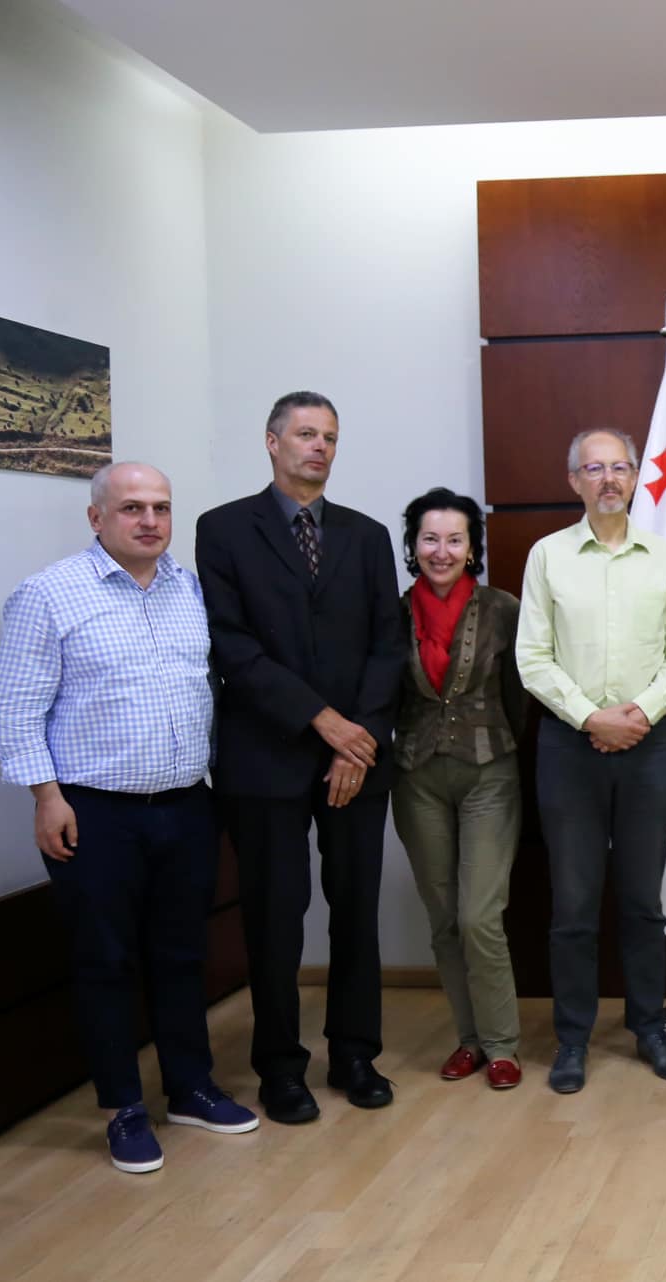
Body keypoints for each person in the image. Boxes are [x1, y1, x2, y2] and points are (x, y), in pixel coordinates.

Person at [0, 462, 259, 1173]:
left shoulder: (190, 591)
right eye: (132, 507)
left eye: (161, 508)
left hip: (186, 805)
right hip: (92, 812)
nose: (150, 521)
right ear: (96, 517)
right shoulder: (49, 595)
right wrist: (46, 798)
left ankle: (190, 1087)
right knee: (104, 961)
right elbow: (12, 708)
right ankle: (123, 1109)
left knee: (181, 954)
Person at [195, 391, 406, 1125]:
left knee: (356, 913)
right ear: (272, 441)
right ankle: (281, 1067)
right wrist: (325, 722)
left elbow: (388, 645)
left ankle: (355, 1054)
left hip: (358, 760)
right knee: (275, 919)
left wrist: (359, 739)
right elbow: (232, 646)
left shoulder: (367, 535)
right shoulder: (223, 529)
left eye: (330, 437)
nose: (320, 447)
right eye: (307, 434)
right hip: (267, 757)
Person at [516, 428, 666, 1094]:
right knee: (573, 905)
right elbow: (532, 657)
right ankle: (573, 1039)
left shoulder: (663, 557)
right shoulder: (547, 556)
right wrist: (591, 718)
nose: (608, 479)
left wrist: (637, 715)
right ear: (575, 481)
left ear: (635, 477)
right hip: (570, 748)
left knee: (643, 902)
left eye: (619, 467)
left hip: (647, 746)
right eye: (594, 469)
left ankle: (649, 1027)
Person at [391, 488, 528, 1090]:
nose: (441, 551)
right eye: (430, 539)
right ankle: (469, 1040)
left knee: (479, 916)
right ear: (413, 545)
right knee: (444, 917)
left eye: (454, 539)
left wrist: (499, 744)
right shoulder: (392, 613)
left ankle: (502, 1045)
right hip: (416, 777)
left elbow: (520, 698)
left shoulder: (504, 609)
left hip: (489, 774)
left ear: (472, 548)